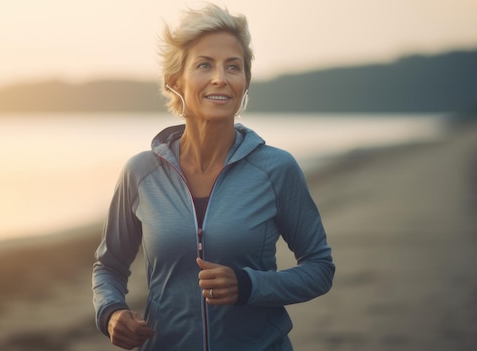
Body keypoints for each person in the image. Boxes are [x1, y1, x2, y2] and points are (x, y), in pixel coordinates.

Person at [92, 3, 334, 350]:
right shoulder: (141, 173)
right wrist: (111, 312)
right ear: (175, 81)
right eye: (204, 64)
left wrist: (249, 286)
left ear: (244, 82)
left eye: (233, 67)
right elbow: (108, 266)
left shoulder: (276, 169)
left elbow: (320, 268)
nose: (220, 77)